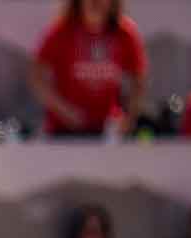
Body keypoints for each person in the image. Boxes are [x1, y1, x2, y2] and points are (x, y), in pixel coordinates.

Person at [32, 0, 146, 136]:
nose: (95, 2)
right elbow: (37, 76)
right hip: (64, 130)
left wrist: (129, 118)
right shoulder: (61, 31)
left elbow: (139, 81)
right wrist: (64, 110)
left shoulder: (125, 33)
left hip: (107, 130)